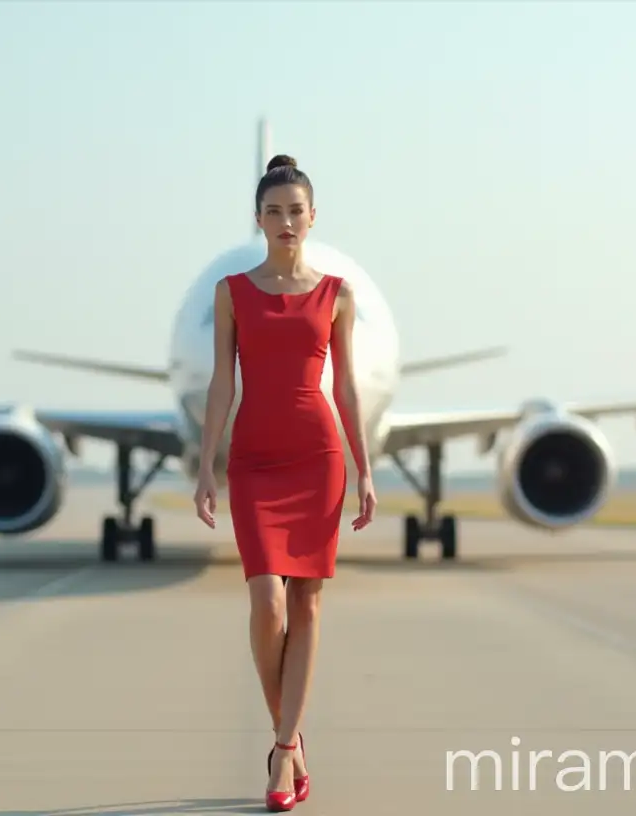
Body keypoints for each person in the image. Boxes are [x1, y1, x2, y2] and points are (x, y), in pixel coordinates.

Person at [193, 153, 376, 811]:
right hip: (256, 460)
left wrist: (365, 469)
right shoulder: (232, 292)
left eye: (296, 210)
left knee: (307, 605)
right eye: (274, 211)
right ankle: (290, 742)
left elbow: (348, 386)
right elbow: (223, 382)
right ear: (259, 219)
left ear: (312, 216)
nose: (286, 221)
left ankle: (281, 752)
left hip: (317, 454)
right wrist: (208, 463)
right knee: (267, 602)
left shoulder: (337, 295)